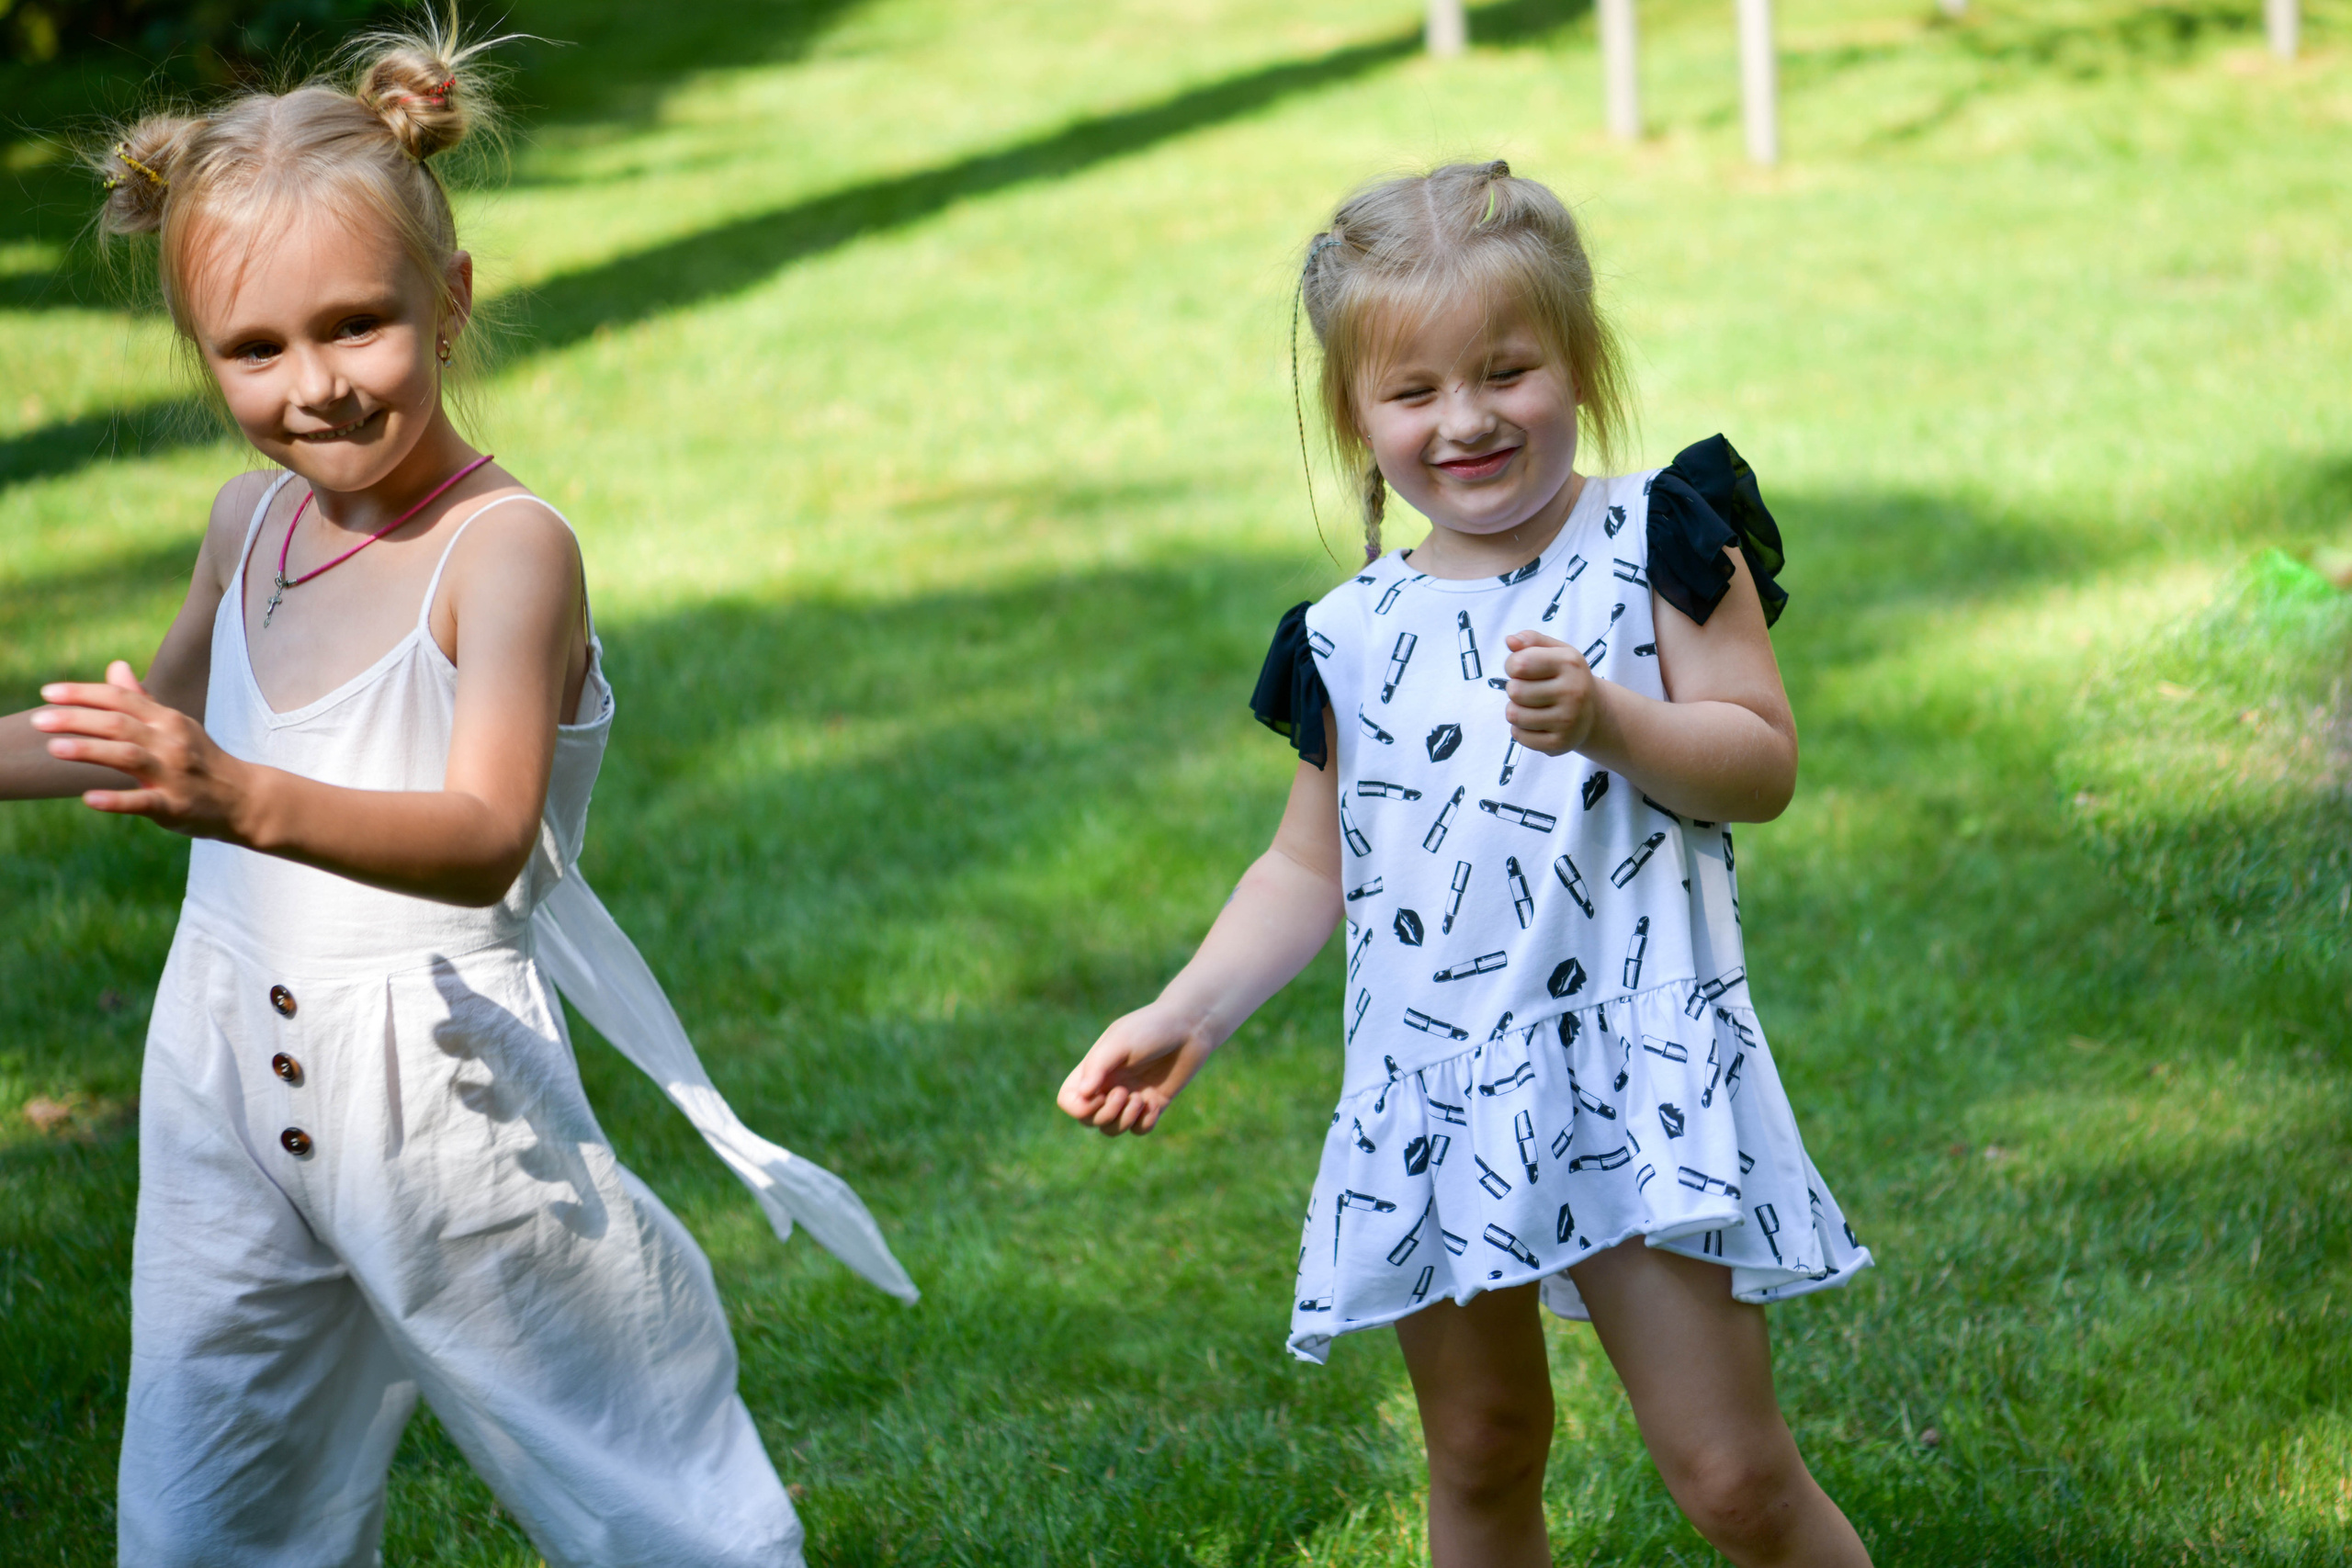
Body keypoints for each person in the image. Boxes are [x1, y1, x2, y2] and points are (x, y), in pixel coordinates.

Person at [1, 17, 913, 1565]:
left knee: (625, 1466)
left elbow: (489, 835)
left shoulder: (507, 553)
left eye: (360, 325)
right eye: (255, 349)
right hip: (222, 1064)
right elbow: (136, 722)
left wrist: (236, 794)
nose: (318, 389)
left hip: (447, 1095)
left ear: (454, 296)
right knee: (208, 1485)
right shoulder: (251, 524)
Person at [1057, 161, 1874, 1568]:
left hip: (1632, 1068)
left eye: (1508, 371)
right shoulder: (1347, 634)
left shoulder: (1664, 542)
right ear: (1355, 419)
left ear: (1581, 362)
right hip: (1432, 1086)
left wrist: (1613, 719)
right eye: (1416, 392)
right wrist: (1188, 1009)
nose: (1469, 419)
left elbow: (1761, 760)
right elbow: (1306, 871)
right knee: (1482, 1453)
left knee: (1731, 1472)